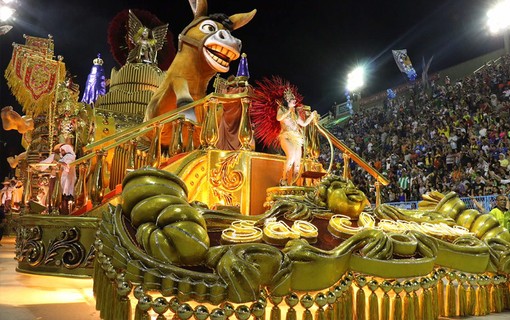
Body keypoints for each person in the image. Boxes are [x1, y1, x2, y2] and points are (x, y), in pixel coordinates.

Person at [277, 88, 317, 186]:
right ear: (287, 101)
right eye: (292, 100)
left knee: (298, 162)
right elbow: (279, 118)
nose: (294, 102)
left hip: (297, 138)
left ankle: (294, 183)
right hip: (286, 136)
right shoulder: (282, 109)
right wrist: (288, 111)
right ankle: (284, 179)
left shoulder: (295, 112)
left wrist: (311, 117)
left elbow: (303, 124)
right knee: (291, 157)